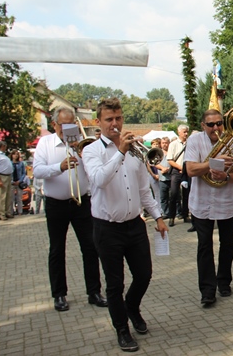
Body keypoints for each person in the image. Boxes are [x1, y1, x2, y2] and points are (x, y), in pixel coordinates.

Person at [82, 97, 168, 352]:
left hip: (134, 224)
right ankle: (122, 329)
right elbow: (99, 180)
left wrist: (159, 217)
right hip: (107, 228)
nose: (115, 124)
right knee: (114, 284)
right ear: (98, 122)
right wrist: (120, 152)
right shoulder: (91, 151)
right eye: (109, 119)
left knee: (144, 274)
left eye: (118, 118)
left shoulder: (135, 151)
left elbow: (143, 191)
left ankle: (131, 306)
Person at [33, 106, 107, 312]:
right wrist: (59, 167)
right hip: (56, 203)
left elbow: (96, 170)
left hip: (81, 202)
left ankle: (94, 291)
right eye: (64, 125)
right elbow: (37, 171)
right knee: (57, 249)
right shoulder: (45, 143)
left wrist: (83, 153)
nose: (68, 129)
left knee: (90, 247)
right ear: (54, 124)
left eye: (72, 124)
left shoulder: (83, 143)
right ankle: (59, 294)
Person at [185, 109, 233, 306]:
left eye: (219, 123)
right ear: (203, 126)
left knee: (228, 244)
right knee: (204, 246)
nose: (216, 128)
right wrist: (213, 163)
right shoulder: (194, 141)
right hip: (201, 202)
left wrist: (226, 176)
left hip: (226, 200)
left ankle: (224, 281)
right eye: (210, 125)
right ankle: (207, 290)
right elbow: (190, 169)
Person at [167, 125, 189, 226]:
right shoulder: (173, 144)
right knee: (174, 194)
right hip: (176, 171)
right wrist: (181, 168)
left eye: (187, 132)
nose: (186, 134)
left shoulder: (189, 143)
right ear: (179, 132)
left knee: (186, 194)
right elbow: (170, 160)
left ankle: (185, 215)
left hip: (187, 172)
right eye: (184, 132)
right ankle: (171, 217)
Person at [0, 140, 14, 221]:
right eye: (5, 146)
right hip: (1, 176)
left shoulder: (3, 155)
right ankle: (1, 213)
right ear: (2, 146)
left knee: (8, 195)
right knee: (2, 196)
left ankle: (7, 212)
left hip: (8, 176)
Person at [156, 137, 171, 220]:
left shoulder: (171, 151)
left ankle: (177, 212)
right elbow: (154, 163)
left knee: (174, 196)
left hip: (171, 177)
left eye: (166, 143)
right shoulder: (158, 153)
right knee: (163, 197)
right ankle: (166, 212)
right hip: (162, 178)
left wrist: (168, 169)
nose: (165, 144)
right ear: (161, 144)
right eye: (163, 143)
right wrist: (162, 168)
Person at [10, 149, 27, 216]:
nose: (15, 155)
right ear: (12, 155)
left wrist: (20, 180)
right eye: (14, 154)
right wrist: (11, 181)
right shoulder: (9, 163)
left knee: (19, 198)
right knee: (11, 198)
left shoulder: (21, 163)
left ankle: (20, 211)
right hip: (12, 182)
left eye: (17, 154)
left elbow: (23, 173)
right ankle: (11, 212)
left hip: (19, 182)